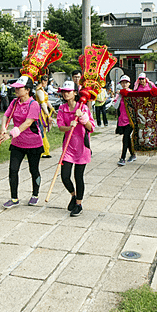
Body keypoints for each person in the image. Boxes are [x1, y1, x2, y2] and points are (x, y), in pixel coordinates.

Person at [0, 75, 44, 208]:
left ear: (28, 90)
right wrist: (3, 128)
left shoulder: (33, 104)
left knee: (33, 170)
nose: (16, 90)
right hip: (17, 144)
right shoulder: (14, 102)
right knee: (13, 169)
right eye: (16, 88)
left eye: (19, 88)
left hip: (33, 143)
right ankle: (14, 198)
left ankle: (35, 194)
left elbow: (28, 123)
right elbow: (6, 115)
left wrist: (11, 134)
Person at [56, 81, 95, 217]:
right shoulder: (62, 108)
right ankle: (73, 195)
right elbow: (60, 127)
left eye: (68, 91)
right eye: (64, 91)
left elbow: (91, 128)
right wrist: (70, 126)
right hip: (68, 147)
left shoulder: (83, 108)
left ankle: (78, 204)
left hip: (82, 147)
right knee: (65, 176)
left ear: (75, 93)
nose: (66, 93)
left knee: (79, 176)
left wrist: (83, 118)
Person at [114, 75, 136, 166]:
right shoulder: (119, 94)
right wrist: (119, 96)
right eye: (123, 82)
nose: (124, 84)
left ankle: (122, 158)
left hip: (130, 120)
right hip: (122, 120)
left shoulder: (132, 93)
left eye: (126, 82)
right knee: (127, 138)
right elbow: (115, 106)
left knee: (125, 138)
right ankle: (132, 154)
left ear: (129, 84)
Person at [35, 75, 55, 158]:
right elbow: (43, 103)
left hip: (43, 111)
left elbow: (47, 102)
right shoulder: (39, 90)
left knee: (43, 130)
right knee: (41, 130)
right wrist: (47, 114)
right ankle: (42, 150)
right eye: (46, 81)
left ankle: (45, 150)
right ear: (43, 81)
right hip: (40, 112)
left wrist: (52, 109)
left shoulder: (42, 90)